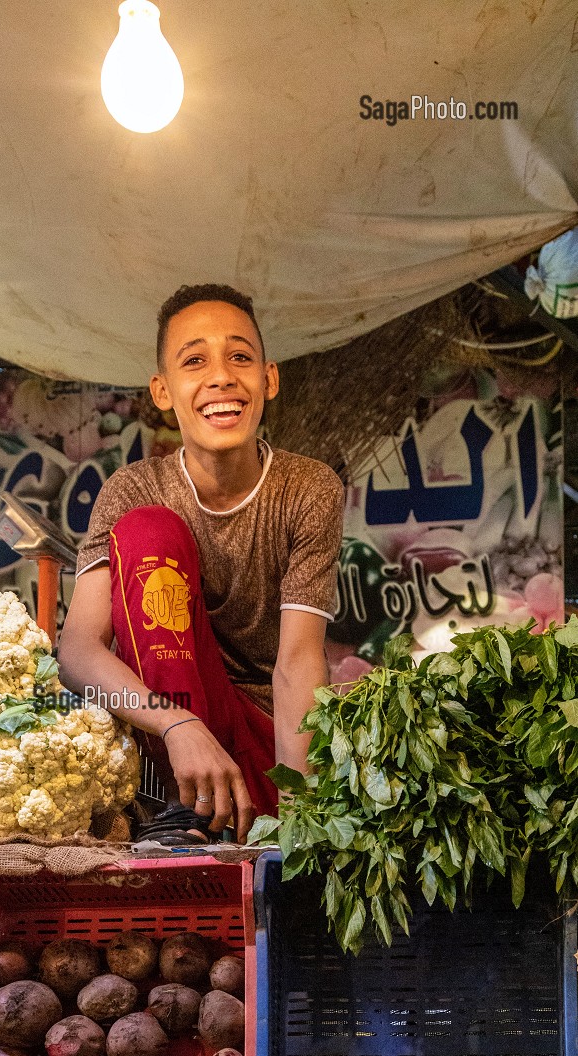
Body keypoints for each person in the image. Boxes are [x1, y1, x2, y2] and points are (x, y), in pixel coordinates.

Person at [58, 283, 344, 842]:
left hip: (266, 754)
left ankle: (250, 819)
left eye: (240, 356)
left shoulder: (309, 489)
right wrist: (177, 723)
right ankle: (184, 814)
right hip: (172, 745)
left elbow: (297, 664)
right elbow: (77, 652)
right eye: (195, 361)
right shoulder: (131, 489)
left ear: (269, 378)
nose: (221, 376)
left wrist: (302, 818)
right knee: (148, 530)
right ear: (162, 391)